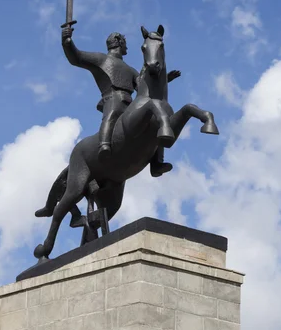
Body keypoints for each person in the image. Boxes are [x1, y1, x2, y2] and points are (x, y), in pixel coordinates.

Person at [34, 26, 180, 219]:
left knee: (152, 121)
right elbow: (76, 57)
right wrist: (67, 42)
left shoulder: (131, 70)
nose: (127, 46)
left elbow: (143, 86)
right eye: (125, 43)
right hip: (112, 100)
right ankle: (104, 144)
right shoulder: (102, 60)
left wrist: (164, 78)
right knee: (111, 115)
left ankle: (156, 162)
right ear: (119, 43)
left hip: (131, 106)